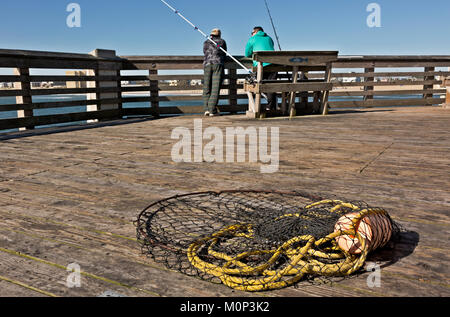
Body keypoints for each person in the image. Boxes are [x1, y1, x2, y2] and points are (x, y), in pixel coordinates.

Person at [245, 26, 277, 111]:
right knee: (271, 85)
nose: (251, 34)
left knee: (256, 84)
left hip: (261, 67)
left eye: (252, 33)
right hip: (273, 65)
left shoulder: (252, 39)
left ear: (255, 32)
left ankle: (255, 108)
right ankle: (270, 107)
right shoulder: (269, 38)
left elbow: (247, 53)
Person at [203, 28, 227, 117]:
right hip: (217, 64)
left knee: (206, 87)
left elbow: (204, 52)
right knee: (215, 88)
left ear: (211, 35)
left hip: (207, 64)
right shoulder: (222, 42)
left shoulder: (206, 42)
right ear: (219, 35)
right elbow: (224, 53)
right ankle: (212, 110)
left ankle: (206, 109)